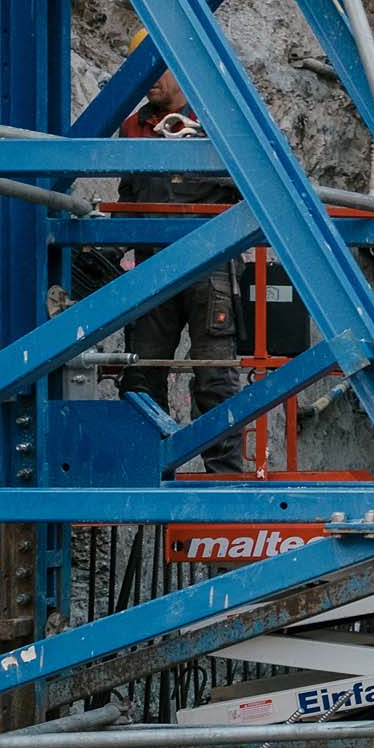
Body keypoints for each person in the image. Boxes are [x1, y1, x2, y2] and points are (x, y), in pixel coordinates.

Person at [116, 71, 246, 474]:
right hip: (154, 264)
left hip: (210, 264)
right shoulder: (134, 126)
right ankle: (145, 468)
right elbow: (130, 194)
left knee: (214, 373)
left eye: (158, 70)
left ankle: (222, 477)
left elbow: (249, 184)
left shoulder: (217, 121)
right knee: (142, 371)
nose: (148, 80)